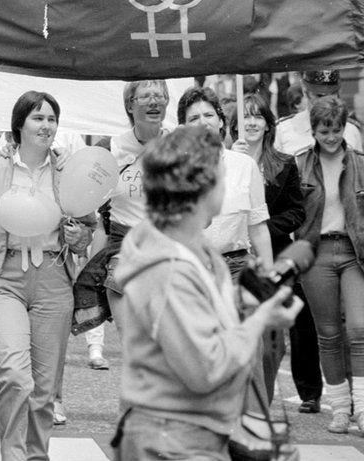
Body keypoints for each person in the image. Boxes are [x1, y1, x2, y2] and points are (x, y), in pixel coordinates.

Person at [113, 125, 302, 461]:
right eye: (222, 176)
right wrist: (259, 321)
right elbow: (205, 369)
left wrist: (242, 305)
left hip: (189, 434)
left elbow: (203, 319)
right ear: (204, 186)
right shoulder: (168, 267)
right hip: (171, 441)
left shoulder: (194, 247)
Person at [0, 91, 95, 461]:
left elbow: (86, 230)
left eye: (52, 119)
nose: (46, 126)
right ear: (19, 124)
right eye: (38, 118)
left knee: (44, 387)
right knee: (14, 375)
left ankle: (36, 456)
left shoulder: (67, 171)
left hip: (53, 278)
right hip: (3, 279)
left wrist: (78, 236)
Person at [229, 94, 308, 404]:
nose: (251, 122)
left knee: (272, 342)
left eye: (257, 116)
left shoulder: (284, 164)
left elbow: (296, 211)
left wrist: (261, 229)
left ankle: (264, 400)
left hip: (272, 256)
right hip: (233, 259)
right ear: (234, 124)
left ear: (267, 124)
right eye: (245, 116)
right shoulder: (226, 160)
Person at [294, 97, 364, 433]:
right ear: (314, 130)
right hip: (316, 252)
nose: (332, 137)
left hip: (354, 251)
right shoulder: (300, 165)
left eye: (337, 130)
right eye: (325, 131)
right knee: (328, 334)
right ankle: (339, 409)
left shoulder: (361, 163)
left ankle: (362, 408)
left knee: (360, 330)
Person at [78, 80, 170, 335]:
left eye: (159, 96)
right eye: (145, 96)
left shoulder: (181, 146)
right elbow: (90, 210)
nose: (154, 101)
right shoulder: (110, 149)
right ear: (130, 105)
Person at [178, 87, 273, 274]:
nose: (203, 122)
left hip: (238, 267)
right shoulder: (174, 169)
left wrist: (269, 274)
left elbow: (258, 228)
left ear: (220, 121)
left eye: (208, 115)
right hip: (192, 269)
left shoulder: (245, 165)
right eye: (194, 118)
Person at [276, 70, 362, 154]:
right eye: (319, 95)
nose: (326, 101)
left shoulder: (351, 131)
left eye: (332, 94)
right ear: (304, 91)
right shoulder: (283, 131)